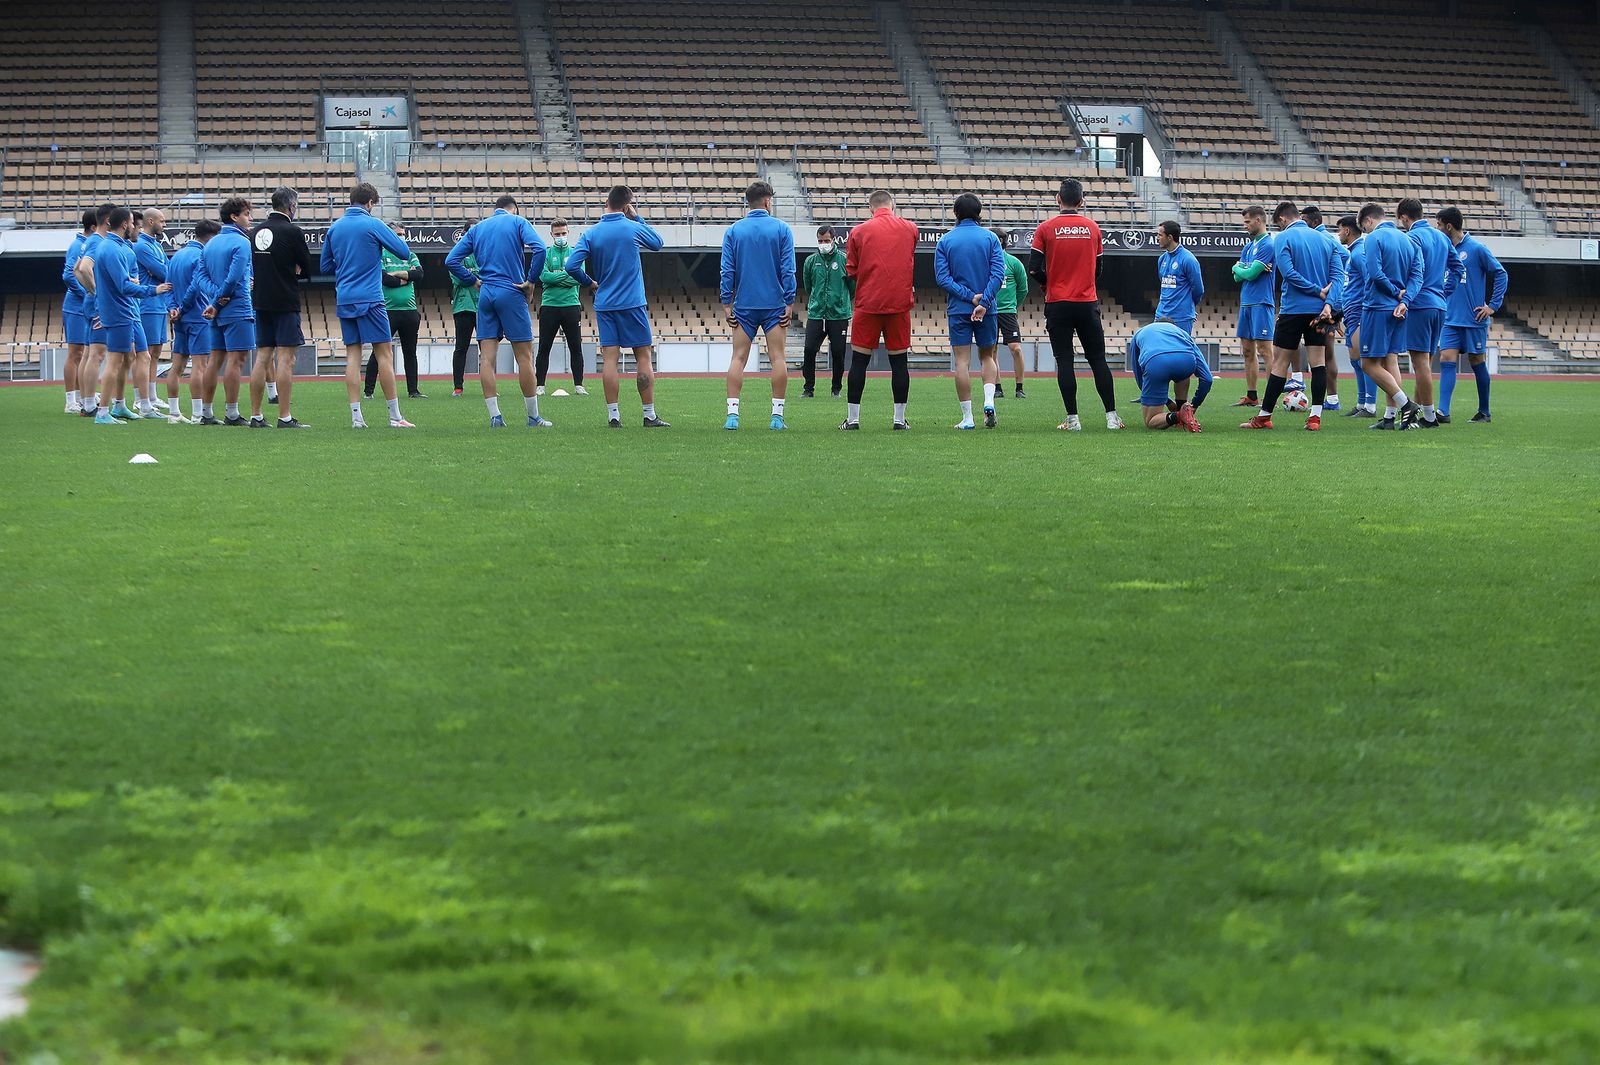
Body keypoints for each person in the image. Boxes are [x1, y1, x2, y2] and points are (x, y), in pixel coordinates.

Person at [564, 185, 669, 428]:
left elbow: (571, 266)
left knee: (610, 359)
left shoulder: (591, 233)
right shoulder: (632, 227)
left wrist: (589, 282)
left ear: (606, 203)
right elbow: (657, 243)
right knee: (643, 356)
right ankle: (649, 415)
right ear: (626, 206)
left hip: (606, 304)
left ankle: (613, 416)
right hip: (633, 303)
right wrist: (637, 217)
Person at [445, 194, 552, 428]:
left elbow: (451, 260)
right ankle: (533, 417)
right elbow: (540, 249)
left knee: (486, 359)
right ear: (514, 209)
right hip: (511, 290)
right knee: (524, 357)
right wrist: (531, 281)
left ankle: (495, 417)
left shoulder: (478, 229)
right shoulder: (518, 222)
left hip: (486, 294)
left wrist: (472, 280)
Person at [1029, 178, 1121, 431]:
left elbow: (1033, 269)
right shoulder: (1093, 228)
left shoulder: (1045, 228)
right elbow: (1098, 269)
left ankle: (1073, 419)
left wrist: (1050, 283)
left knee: (1065, 361)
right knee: (1098, 360)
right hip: (1086, 302)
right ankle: (1112, 417)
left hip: (1058, 303)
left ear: (1058, 199)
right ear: (1081, 202)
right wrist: (1083, 283)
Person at [322, 183, 416, 428]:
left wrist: (348, 265)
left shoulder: (335, 227)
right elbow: (403, 251)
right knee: (384, 354)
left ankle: (356, 418)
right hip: (371, 298)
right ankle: (395, 417)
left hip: (345, 297)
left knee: (352, 356)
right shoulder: (373, 224)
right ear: (370, 202)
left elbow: (325, 266)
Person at [1240, 201, 1336, 431]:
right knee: (1318, 363)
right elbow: (1338, 275)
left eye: (1279, 224)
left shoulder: (1282, 238)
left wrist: (1316, 290)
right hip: (1319, 310)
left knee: (1280, 363)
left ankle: (1264, 417)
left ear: (1282, 219)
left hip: (1293, 309)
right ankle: (1315, 418)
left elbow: (1289, 273)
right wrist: (1329, 303)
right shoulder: (1326, 239)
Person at [719, 180, 796, 431]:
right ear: (767, 201)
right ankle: (777, 417)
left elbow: (727, 270)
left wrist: (726, 302)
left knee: (738, 358)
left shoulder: (734, 231)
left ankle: (732, 416)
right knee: (778, 358)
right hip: (774, 304)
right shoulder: (782, 229)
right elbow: (788, 269)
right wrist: (789, 301)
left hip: (744, 305)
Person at [840, 190, 919, 430]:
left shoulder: (858, 232)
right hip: (899, 304)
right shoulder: (910, 228)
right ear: (892, 205)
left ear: (870, 208)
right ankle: (899, 420)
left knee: (859, 362)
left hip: (868, 303)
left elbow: (851, 270)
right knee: (899, 363)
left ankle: (853, 420)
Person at [89, 207, 172, 424]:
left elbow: (124, 280)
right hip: (120, 311)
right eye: (133, 223)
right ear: (125, 224)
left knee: (141, 356)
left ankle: (131, 405)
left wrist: (132, 281)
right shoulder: (111, 248)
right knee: (115, 361)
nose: (136, 227)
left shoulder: (117, 246)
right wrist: (153, 289)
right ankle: (103, 412)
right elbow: (123, 286)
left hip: (129, 310)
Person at [933, 193, 1005, 429]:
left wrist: (969, 297)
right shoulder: (991, 238)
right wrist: (984, 301)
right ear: (979, 212)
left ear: (955, 213)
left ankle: (967, 418)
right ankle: (989, 402)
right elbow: (998, 274)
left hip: (959, 309)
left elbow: (943, 278)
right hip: (988, 309)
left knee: (962, 362)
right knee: (987, 356)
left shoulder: (945, 241)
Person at [249, 186, 313, 429]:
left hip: (261, 300)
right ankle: (284, 416)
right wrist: (296, 269)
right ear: (291, 206)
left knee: (262, 358)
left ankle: (256, 415)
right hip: (285, 300)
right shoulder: (293, 231)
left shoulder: (255, 231)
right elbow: (307, 267)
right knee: (286, 359)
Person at [1436, 206, 1507, 424]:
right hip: (1449, 318)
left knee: (1476, 360)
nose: (1437, 228)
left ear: (1449, 226)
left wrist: (1492, 306)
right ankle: (1443, 412)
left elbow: (1501, 274)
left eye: (1439, 225)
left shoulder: (1476, 249)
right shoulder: (1443, 249)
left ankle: (1484, 411)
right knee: (1446, 358)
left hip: (1474, 319)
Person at [1358, 202, 1423, 430]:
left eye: (1364, 227)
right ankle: (1389, 417)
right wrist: (1405, 301)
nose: (1365, 231)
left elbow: (1375, 273)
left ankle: (1406, 405)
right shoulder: (1409, 240)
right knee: (1391, 360)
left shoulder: (1373, 238)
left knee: (1368, 363)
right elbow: (1417, 276)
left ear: (1368, 220)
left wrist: (1395, 293)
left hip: (1377, 306)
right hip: (1399, 309)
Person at [1397, 197, 1456, 428]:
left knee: (1420, 362)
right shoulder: (1442, 237)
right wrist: (1444, 291)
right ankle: (1417, 413)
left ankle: (1430, 417)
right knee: (1425, 363)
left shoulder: (1412, 237)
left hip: (1420, 304)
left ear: (1404, 217)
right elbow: (1458, 268)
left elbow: (1412, 271)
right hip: (1439, 305)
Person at [198, 196, 256, 427]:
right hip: (237, 307)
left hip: (216, 311)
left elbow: (200, 276)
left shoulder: (210, 244)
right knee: (237, 359)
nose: (250, 218)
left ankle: (206, 412)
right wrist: (218, 301)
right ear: (234, 217)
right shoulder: (242, 242)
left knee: (215, 359)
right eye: (247, 214)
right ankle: (232, 413)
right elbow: (233, 278)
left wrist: (214, 300)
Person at [167, 219, 221, 423]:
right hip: (198, 316)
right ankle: (198, 414)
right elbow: (195, 287)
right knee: (200, 366)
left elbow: (168, 286)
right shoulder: (201, 256)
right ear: (211, 237)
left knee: (177, 366)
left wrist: (173, 308)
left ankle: (174, 413)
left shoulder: (176, 256)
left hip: (179, 318)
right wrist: (183, 308)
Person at [366, 221, 424, 400]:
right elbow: (384, 279)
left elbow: (419, 274)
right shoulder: (381, 254)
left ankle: (413, 390)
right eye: (398, 234)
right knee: (378, 352)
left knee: (410, 352)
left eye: (403, 234)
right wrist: (406, 276)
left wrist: (396, 274)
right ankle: (368, 391)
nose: (402, 237)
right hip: (387, 310)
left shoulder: (410, 254)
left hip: (410, 310)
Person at [1301, 206, 1347, 411]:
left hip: (1328, 304)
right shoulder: (1322, 238)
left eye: (1304, 220)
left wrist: (1330, 281)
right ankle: (1332, 398)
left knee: (1325, 352)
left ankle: (1333, 399)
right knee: (1325, 352)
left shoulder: (1323, 238)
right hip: (1330, 302)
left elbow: (1344, 256)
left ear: (1313, 222)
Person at [73, 203, 116, 418]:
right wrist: (98, 293)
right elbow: (83, 268)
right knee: (97, 354)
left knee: (89, 353)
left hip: (90, 302)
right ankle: (89, 404)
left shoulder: (90, 241)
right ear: (108, 221)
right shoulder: (98, 242)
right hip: (98, 304)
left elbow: (76, 269)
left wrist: (91, 291)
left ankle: (86, 401)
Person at [536, 217, 587, 396]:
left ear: (568, 233)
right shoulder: (545, 254)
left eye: (563, 233)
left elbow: (578, 278)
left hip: (571, 305)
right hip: (549, 305)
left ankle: (579, 385)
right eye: (557, 234)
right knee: (544, 347)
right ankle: (540, 385)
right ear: (551, 234)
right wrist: (566, 275)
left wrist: (555, 279)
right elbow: (544, 277)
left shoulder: (576, 253)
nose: (561, 236)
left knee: (575, 347)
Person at [800, 224, 852, 398]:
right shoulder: (811, 261)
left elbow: (852, 286)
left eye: (826, 240)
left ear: (834, 240)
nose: (823, 244)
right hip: (816, 314)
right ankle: (808, 389)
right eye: (820, 241)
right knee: (809, 350)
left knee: (838, 352)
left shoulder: (844, 260)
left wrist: (840, 300)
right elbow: (808, 286)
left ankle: (836, 389)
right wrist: (818, 300)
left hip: (838, 315)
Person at [1130, 321, 1211, 431]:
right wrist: (1194, 405)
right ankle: (1184, 408)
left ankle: (1178, 415)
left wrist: (1167, 402)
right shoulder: (1182, 333)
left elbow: (1140, 378)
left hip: (1157, 362)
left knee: (1150, 420)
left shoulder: (1139, 333)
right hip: (1186, 362)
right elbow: (1207, 379)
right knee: (1183, 374)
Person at [1230, 206, 1275, 407]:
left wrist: (1240, 268)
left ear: (1258, 220)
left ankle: (1271, 398)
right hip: (1246, 302)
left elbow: (1249, 274)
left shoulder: (1268, 245)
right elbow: (1237, 277)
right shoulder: (1248, 247)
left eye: (1247, 222)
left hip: (1262, 302)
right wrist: (1241, 269)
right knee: (1247, 350)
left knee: (1266, 350)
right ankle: (1251, 395)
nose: (1245, 225)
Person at [1337, 215, 1377, 418]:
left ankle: (1370, 405)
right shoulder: (1353, 252)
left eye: (1339, 230)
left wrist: (1364, 308)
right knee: (1355, 359)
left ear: (1347, 231)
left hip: (1360, 311)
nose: (1338, 234)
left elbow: (1370, 279)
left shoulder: (1360, 252)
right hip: (1351, 312)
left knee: (1364, 359)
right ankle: (1362, 403)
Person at [134, 208, 171, 416]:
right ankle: (140, 398)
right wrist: (161, 272)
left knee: (156, 351)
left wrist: (163, 271)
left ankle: (152, 395)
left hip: (159, 303)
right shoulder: (141, 246)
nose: (164, 225)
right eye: (162, 221)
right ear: (150, 221)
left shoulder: (156, 244)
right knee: (145, 353)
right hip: (147, 304)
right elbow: (164, 272)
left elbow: (168, 269)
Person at [60, 209, 96, 415]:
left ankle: (82, 396)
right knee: (75, 353)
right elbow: (68, 275)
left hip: (82, 305)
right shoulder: (79, 245)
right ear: (93, 226)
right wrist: (88, 294)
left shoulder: (87, 244)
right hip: (75, 307)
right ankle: (70, 400)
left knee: (83, 353)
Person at [991, 226, 1029, 399]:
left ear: (1001, 241)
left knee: (1016, 349)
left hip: (1007, 312)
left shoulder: (1014, 263)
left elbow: (1023, 289)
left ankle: (1019, 387)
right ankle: (997, 387)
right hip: (989, 311)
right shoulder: (985, 263)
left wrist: (1013, 305)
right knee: (991, 351)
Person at [1154, 220, 1203, 335]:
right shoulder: (1162, 259)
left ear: (1170, 237)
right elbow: (1164, 285)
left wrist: (1189, 307)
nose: (1157, 238)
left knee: (1179, 346)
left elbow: (1198, 290)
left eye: (1160, 235)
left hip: (1181, 317)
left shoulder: (1188, 259)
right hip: (1161, 315)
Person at [450, 252, 478, 396]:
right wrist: (476, 277)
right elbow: (459, 279)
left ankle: (489, 385)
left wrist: (469, 275)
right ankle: (458, 387)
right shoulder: (457, 255)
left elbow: (489, 277)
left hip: (483, 306)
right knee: (461, 348)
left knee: (487, 348)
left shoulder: (483, 254)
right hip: (463, 307)